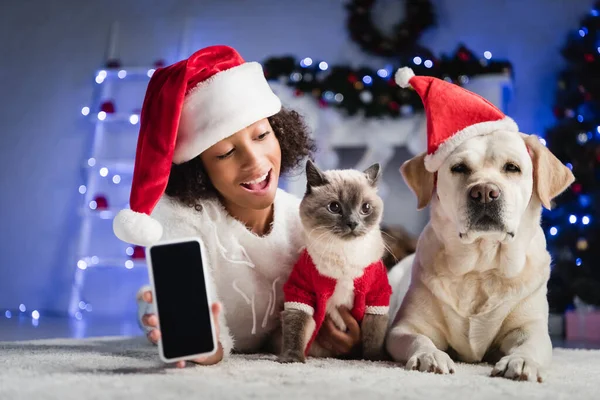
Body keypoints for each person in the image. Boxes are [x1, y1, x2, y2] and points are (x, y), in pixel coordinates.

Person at [112, 45, 363, 367]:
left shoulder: (304, 218)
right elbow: (203, 332)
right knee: (160, 298)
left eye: (262, 135)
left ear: (281, 134)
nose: (255, 161)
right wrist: (207, 346)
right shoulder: (181, 218)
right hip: (197, 328)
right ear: (199, 169)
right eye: (226, 153)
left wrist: (349, 337)